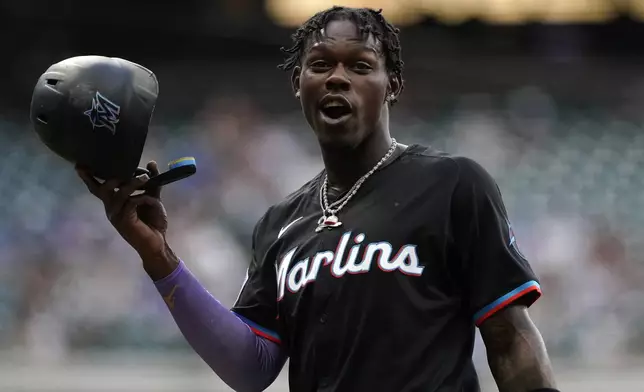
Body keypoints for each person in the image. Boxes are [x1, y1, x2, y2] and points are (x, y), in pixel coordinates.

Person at [77, 6, 558, 392]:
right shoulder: (280, 223)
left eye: (361, 66)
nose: (337, 77)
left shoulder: (454, 185)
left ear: (392, 86)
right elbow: (251, 368)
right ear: (298, 84)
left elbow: (510, 340)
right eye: (321, 64)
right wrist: (157, 256)